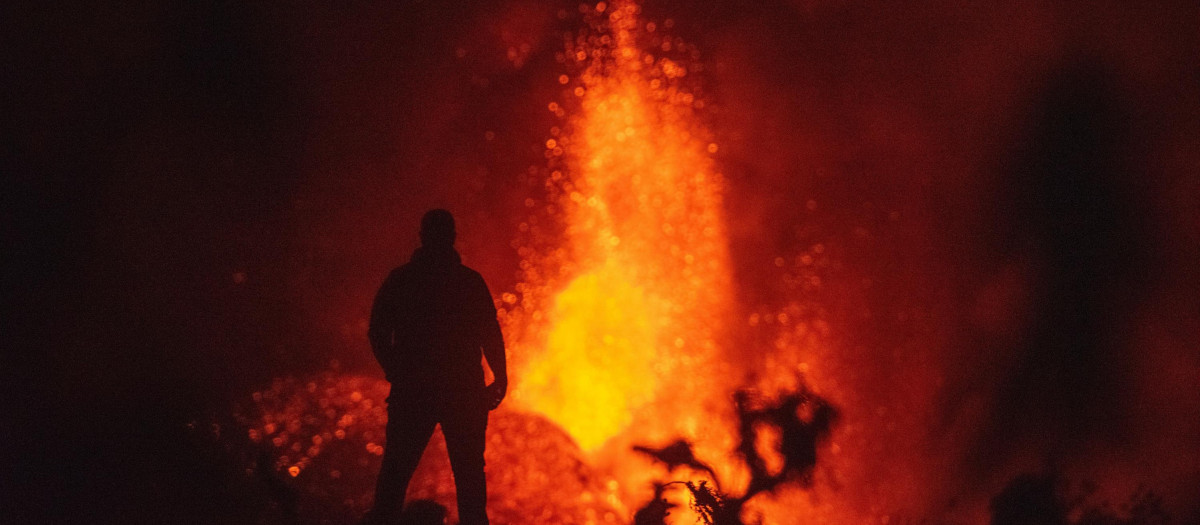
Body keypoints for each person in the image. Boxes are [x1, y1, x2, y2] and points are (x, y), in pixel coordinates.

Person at [363, 209, 507, 525]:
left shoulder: (402, 280)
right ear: (452, 237)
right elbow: (489, 333)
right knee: (469, 479)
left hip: (416, 391)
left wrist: (395, 370)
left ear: (422, 236)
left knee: (396, 474)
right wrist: (500, 377)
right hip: (462, 392)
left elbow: (377, 330)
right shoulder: (469, 282)